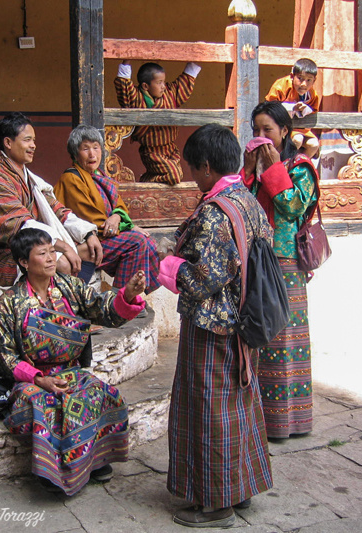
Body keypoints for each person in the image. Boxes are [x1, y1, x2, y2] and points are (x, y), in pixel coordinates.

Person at [157, 125, 273, 528]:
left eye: (192, 167)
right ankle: (239, 488)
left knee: (209, 411)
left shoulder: (213, 211)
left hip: (214, 328)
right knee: (238, 404)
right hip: (245, 322)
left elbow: (204, 277)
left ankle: (216, 503)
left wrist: (167, 265)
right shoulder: (246, 199)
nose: (191, 174)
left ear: (206, 166)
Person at [0, 228, 146, 496]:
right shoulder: (9, 304)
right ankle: (52, 472)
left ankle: (95, 459)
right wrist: (40, 380)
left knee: (99, 392)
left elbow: (102, 308)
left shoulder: (69, 287)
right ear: (24, 262)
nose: (52, 258)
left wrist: (128, 296)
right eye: (43, 254)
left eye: (53, 251)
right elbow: (5, 356)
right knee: (43, 404)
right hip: (33, 380)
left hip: (70, 372)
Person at [0, 112, 103, 297]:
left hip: (31, 244)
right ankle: (58, 312)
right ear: (8, 143)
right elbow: (25, 225)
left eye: (33, 140)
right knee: (60, 262)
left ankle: (76, 303)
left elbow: (57, 209)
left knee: (89, 252)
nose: (33, 145)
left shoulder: (30, 180)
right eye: (27, 140)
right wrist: (63, 247)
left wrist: (88, 233)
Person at [242, 101, 319, 440]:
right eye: (255, 130)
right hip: (254, 260)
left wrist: (273, 169)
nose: (260, 137)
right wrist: (247, 171)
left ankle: (287, 422)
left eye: (267, 131)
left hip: (285, 263)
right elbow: (239, 204)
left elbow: (292, 206)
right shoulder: (253, 167)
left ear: (285, 132)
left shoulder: (300, 167)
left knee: (285, 340)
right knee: (257, 335)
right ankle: (257, 417)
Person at [54, 124, 161, 296]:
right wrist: (128, 227)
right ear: (75, 153)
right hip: (87, 241)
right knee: (137, 241)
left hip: (106, 236)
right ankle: (119, 299)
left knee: (148, 242)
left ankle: (131, 297)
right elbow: (89, 219)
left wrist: (117, 218)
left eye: (96, 147)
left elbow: (119, 206)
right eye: (85, 149)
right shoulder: (71, 178)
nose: (92, 154)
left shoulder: (100, 176)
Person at [114, 60, 201, 184]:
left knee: (179, 174)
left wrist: (195, 61)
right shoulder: (137, 98)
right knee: (174, 176)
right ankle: (146, 181)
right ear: (145, 86)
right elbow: (124, 87)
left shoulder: (169, 94)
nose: (163, 86)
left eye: (164, 82)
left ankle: (148, 179)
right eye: (159, 83)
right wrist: (126, 61)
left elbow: (183, 83)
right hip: (151, 151)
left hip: (170, 148)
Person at [265, 58, 321, 159]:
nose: (304, 84)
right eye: (300, 78)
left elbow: (313, 110)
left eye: (309, 80)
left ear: (314, 80)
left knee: (314, 144)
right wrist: (292, 108)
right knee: (297, 139)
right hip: (281, 128)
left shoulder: (312, 93)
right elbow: (270, 106)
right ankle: (286, 166)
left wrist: (305, 109)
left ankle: (298, 167)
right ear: (292, 76)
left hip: (301, 129)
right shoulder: (281, 86)